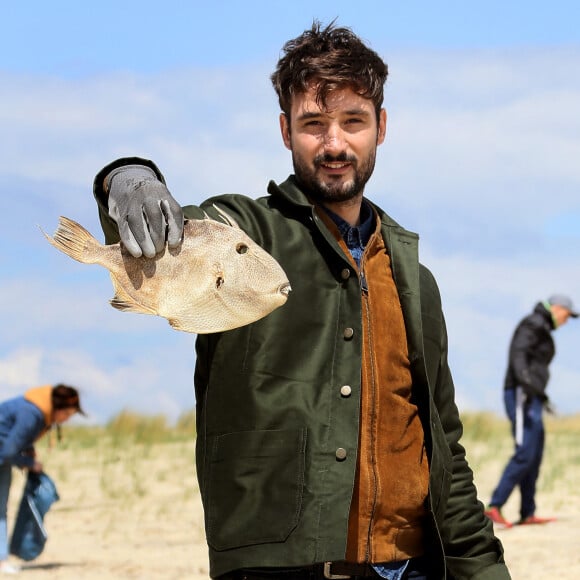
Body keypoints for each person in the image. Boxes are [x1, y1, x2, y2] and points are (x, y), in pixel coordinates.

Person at [91, 21, 510, 580]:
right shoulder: (242, 235)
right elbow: (162, 237)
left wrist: (482, 568)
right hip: (279, 566)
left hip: (413, 566)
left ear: (381, 128)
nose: (335, 144)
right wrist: (126, 177)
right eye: (315, 124)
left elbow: (445, 448)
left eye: (353, 122)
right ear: (286, 130)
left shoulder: (415, 278)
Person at [485, 295, 578, 530]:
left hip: (532, 395)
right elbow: (519, 355)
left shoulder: (542, 326)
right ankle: (494, 507)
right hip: (521, 393)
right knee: (526, 451)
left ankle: (528, 512)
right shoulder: (534, 323)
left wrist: (541, 396)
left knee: (535, 454)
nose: (567, 321)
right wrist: (526, 386)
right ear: (557, 309)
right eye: (567, 316)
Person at [0, 384, 84, 575]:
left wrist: (27, 452)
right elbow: (6, 451)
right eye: (68, 415)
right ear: (59, 407)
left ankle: (1, 560)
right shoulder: (31, 414)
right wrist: (29, 463)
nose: (67, 420)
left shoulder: (37, 412)